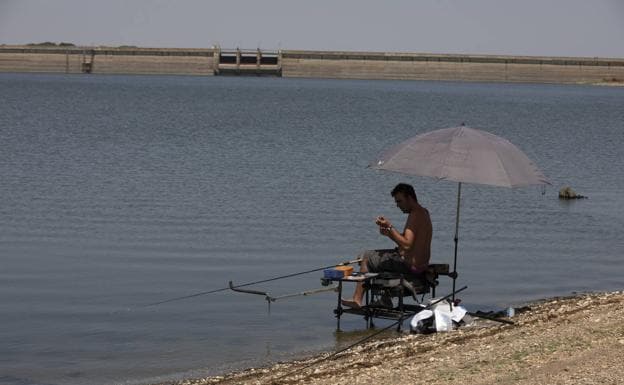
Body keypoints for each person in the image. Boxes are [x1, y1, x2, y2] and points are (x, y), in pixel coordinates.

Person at [341, 183, 432, 309]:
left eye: (400, 201)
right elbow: (410, 242)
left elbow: (406, 245)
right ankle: (385, 299)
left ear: (410, 198)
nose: (398, 205)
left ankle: (357, 299)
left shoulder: (415, 215)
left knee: (366, 257)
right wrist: (389, 234)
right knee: (378, 256)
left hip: (410, 266)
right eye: (396, 202)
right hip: (420, 265)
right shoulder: (424, 212)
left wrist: (389, 227)